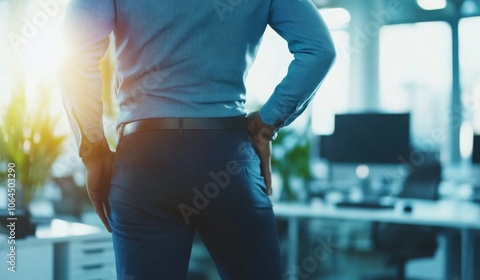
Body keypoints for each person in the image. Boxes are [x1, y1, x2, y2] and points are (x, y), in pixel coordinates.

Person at [60, 0, 335, 279]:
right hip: (228, 159)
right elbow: (319, 51)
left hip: (145, 160)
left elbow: (76, 58)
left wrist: (93, 152)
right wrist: (266, 124)